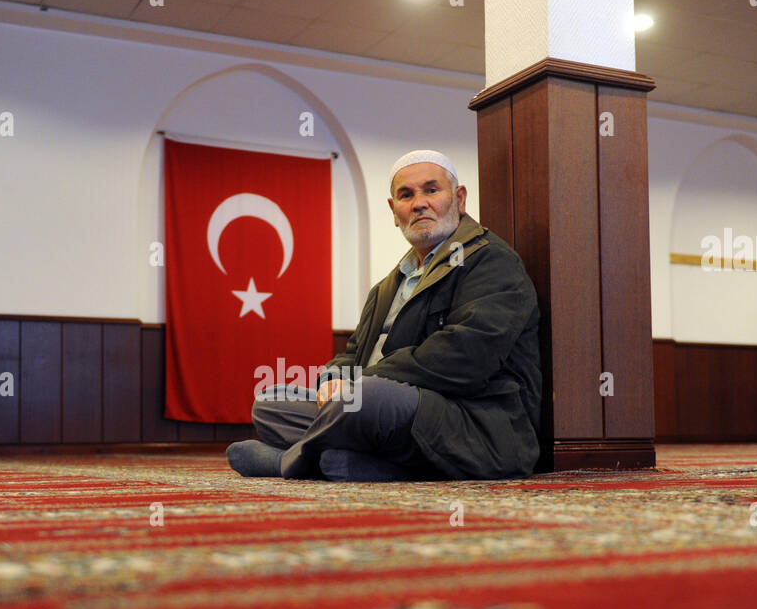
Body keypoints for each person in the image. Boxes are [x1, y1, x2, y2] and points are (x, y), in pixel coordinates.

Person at [226, 149, 542, 481]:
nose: (419, 203)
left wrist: (362, 383)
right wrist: (333, 379)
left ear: (459, 199)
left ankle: (292, 463)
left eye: (431, 190)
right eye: (406, 195)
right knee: (272, 402)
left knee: (365, 398)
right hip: (379, 408)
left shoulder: (490, 261)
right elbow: (353, 353)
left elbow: (465, 357)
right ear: (394, 211)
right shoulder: (388, 285)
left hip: (473, 423)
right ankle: (368, 466)